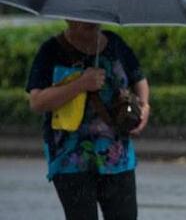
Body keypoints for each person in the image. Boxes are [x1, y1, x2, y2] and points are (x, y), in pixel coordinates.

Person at [26, 21, 150, 220]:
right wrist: (80, 84)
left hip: (117, 156)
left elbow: (139, 79)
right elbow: (36, 102)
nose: (91, 21)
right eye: (84, 17)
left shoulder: (116, 44)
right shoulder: (51, 50)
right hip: (70, 159)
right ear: (69, 18)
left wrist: (144, 105)